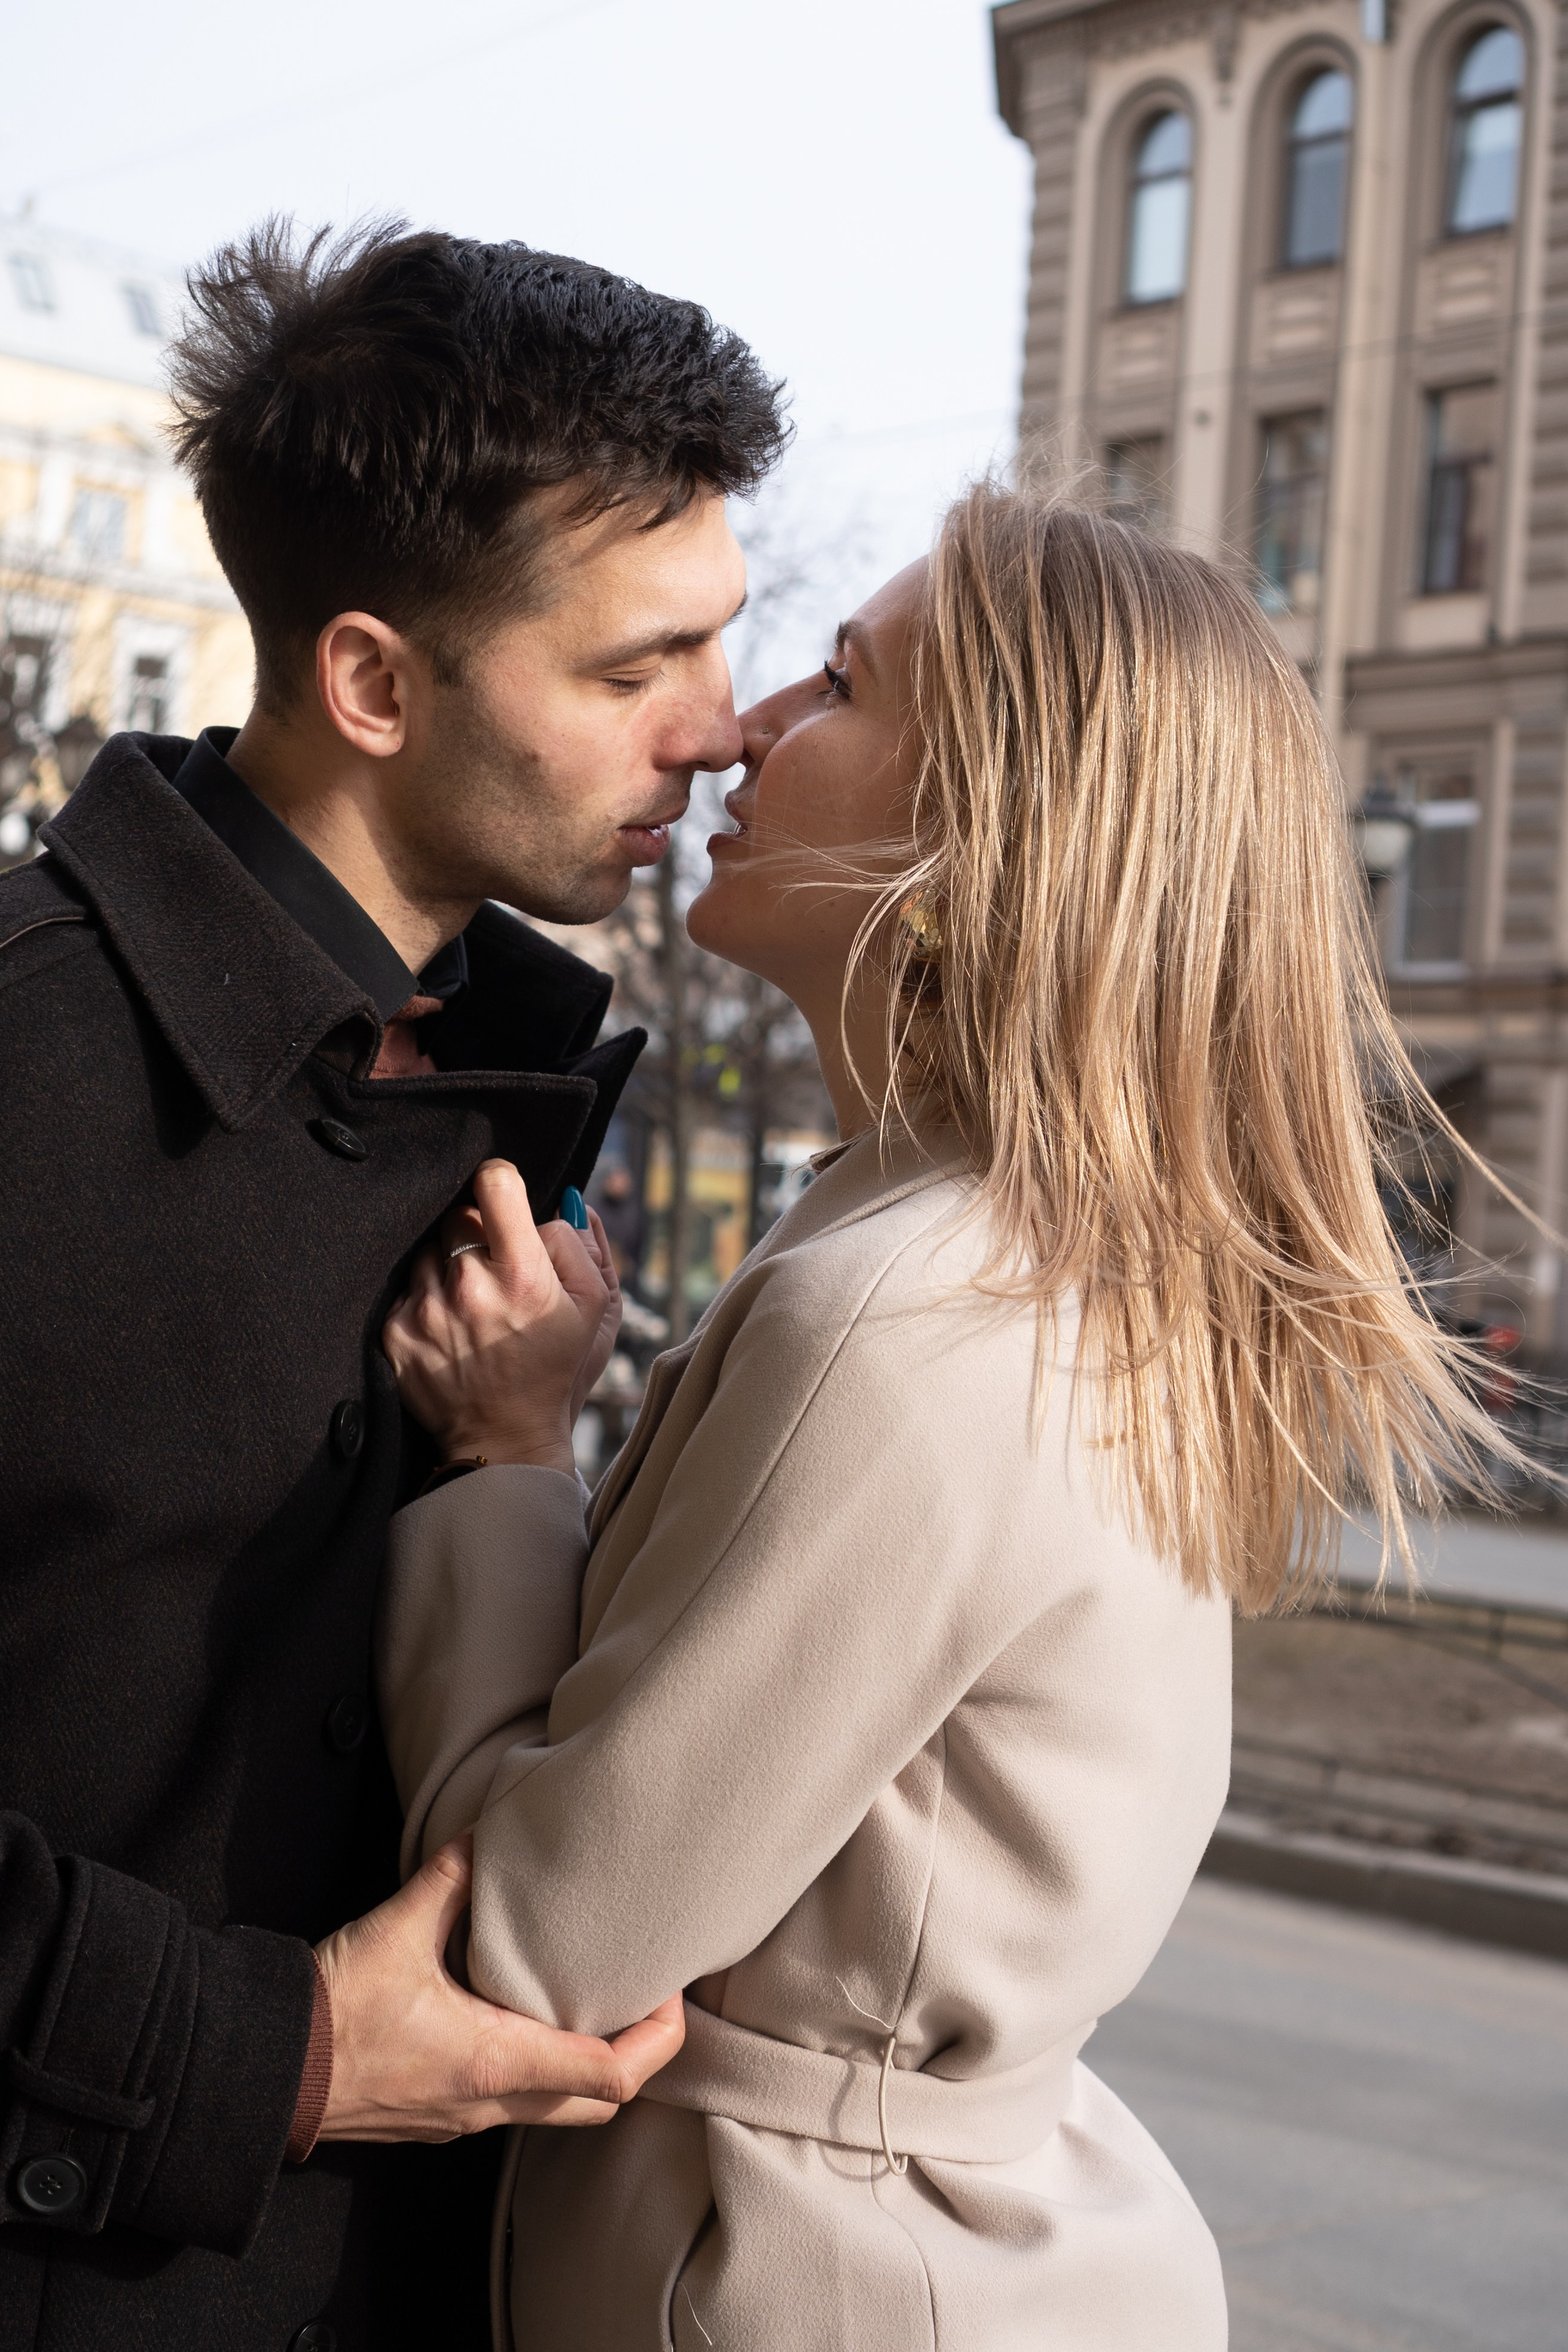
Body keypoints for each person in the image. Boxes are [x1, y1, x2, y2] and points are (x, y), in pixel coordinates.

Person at [377, 489, 1505, 2348]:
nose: (741, 724)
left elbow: (539, 1955)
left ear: (995, 821)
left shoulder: (909, 1309)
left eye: (842, 681)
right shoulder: (1030, 1249)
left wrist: (503, 1461)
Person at [0, 219, 787, 2351]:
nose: (717, 737)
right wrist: (263, 2051)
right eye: (639, 671)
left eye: (726, 648)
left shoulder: (520, 1098)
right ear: (370, 679)